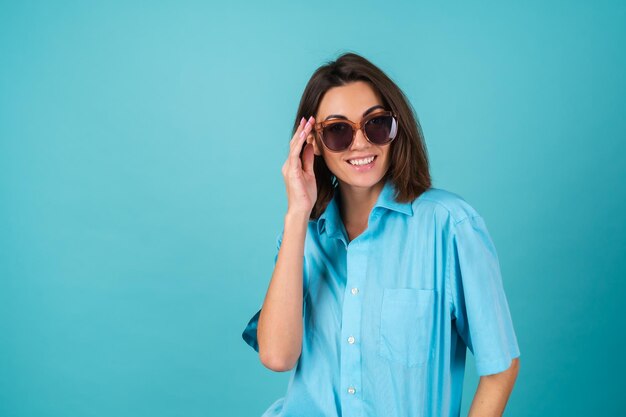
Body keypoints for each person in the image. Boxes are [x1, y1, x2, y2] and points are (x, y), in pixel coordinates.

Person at [242, 52, 520, 417]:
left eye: (376, 124)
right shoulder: (303, 236)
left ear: (396, 128)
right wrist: (297, 213)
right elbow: (277, 356)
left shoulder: (449, 226)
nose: (360, 143)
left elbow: (501, 366)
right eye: (338, 130)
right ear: (314, 144)